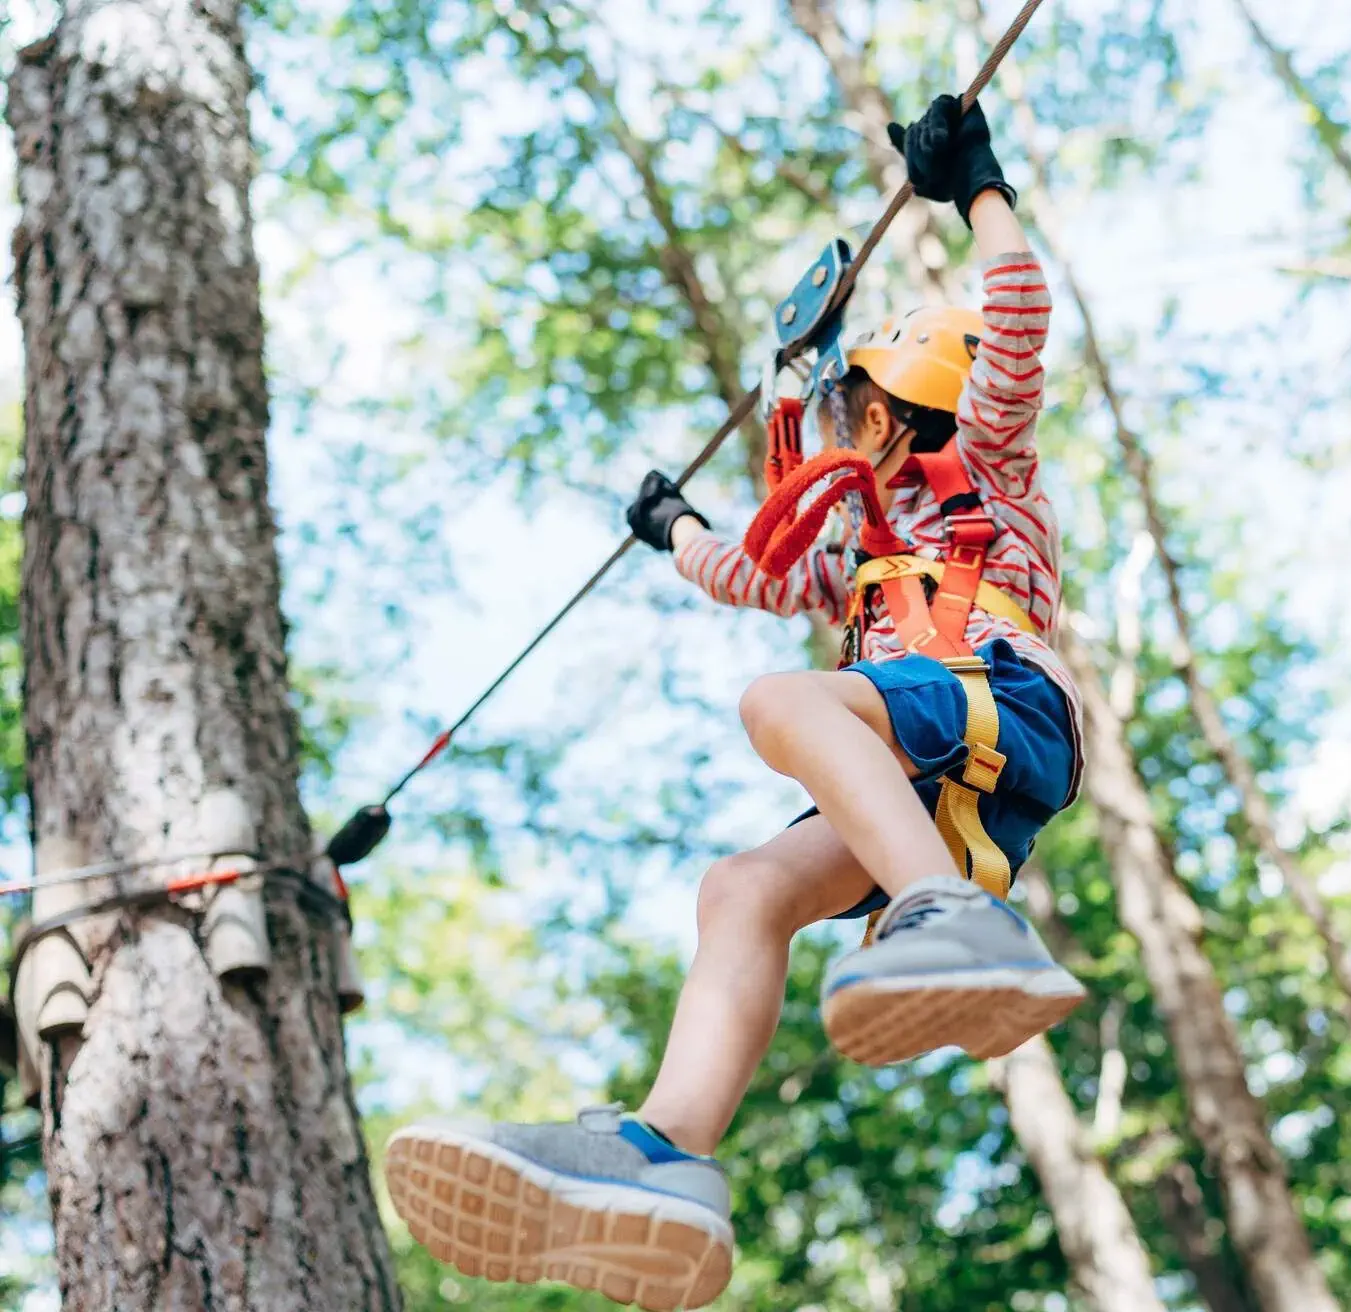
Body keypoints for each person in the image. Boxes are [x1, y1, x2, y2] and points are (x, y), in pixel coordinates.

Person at [384, 94, 1084, 1311]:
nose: (842, 434)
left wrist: (979, 186)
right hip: (924, 764)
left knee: (787, 704)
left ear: (893, 407)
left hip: (1000, 700)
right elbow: (758, 572)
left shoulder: (990, 469)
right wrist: (677, 528)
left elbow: (1015, 319)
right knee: (741, 888)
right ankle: (667, 1153)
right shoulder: (857, 557)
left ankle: (939, 915)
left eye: (854, 412)